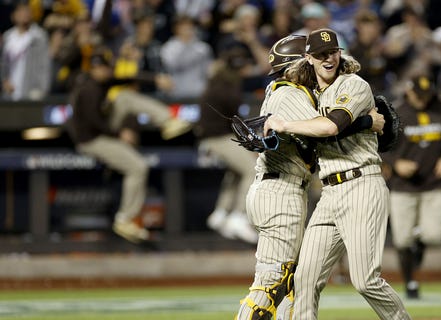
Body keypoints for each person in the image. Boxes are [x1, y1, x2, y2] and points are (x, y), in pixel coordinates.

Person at [235, 34, 384, 320]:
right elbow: (327, 128)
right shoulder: (289, 92)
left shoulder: (283, 91)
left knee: (290, 287)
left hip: (277, 188)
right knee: (270, 286)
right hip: (281, 192)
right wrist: (367, 121)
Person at [265, 28, 411, 320]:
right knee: (304, 279)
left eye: (332, 52)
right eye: (320, 54)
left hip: (362, 185)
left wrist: (283, 124)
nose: (328, 58)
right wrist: (368, 121)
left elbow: (330, 126)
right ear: (309, 58)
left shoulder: (353, 84)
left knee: (365, 280)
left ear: (339, 53)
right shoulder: (310, 93)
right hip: (330, 193)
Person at [67, 49, 191, 244]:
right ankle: (125, 218)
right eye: (98, 67)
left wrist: (155, 79)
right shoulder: (88, 88)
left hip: (102, 132)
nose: (102, 71)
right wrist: (120, 134)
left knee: (125, 97)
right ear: (92, 69)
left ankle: (168, 121)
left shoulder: (101, 82)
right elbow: (92, 122)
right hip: (91, 140)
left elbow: (128, 78)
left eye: (104, 67)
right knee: (138, 167)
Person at [383, 74, 441, 299]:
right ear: (409, 91)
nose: (423, 100)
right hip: (403, 185)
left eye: (427, 96)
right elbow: (379, 146)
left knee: (435, 235)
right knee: (403, 240)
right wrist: (396, 163)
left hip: (433, 183)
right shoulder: (397, 113)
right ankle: (410, 283)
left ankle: (419, 241)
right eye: (419, 95)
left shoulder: (440, 109)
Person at [196, 52, 258, 245]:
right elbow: (235, 121)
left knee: (238, 170)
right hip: (218, 139)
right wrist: (251, 141)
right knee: (252, 169)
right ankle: (238, 216)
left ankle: (221, 213)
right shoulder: (228, 86)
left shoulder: (218, 80)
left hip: (214, 138)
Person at [1, 2, 51, 101]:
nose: (24, 14)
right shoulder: (8, 36)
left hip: (31, 90)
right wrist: (4, 81)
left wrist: (41, 89)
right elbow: (3, 63)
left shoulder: (39, 36)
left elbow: (45, 65)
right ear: (13, 15)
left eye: (27, 11)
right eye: (21, 11)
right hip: (10, 91)